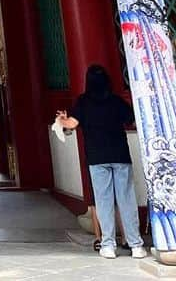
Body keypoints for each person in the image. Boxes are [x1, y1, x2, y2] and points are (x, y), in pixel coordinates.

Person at [55, 65, 147, 260]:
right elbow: (133, 121)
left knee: (104, 202)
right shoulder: (116, 101)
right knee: (126, 200)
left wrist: (62, 120)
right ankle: (136, 244)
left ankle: (108, 245)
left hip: (97, 158)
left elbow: (71, 124)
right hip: (120, 155)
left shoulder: (83, 102)